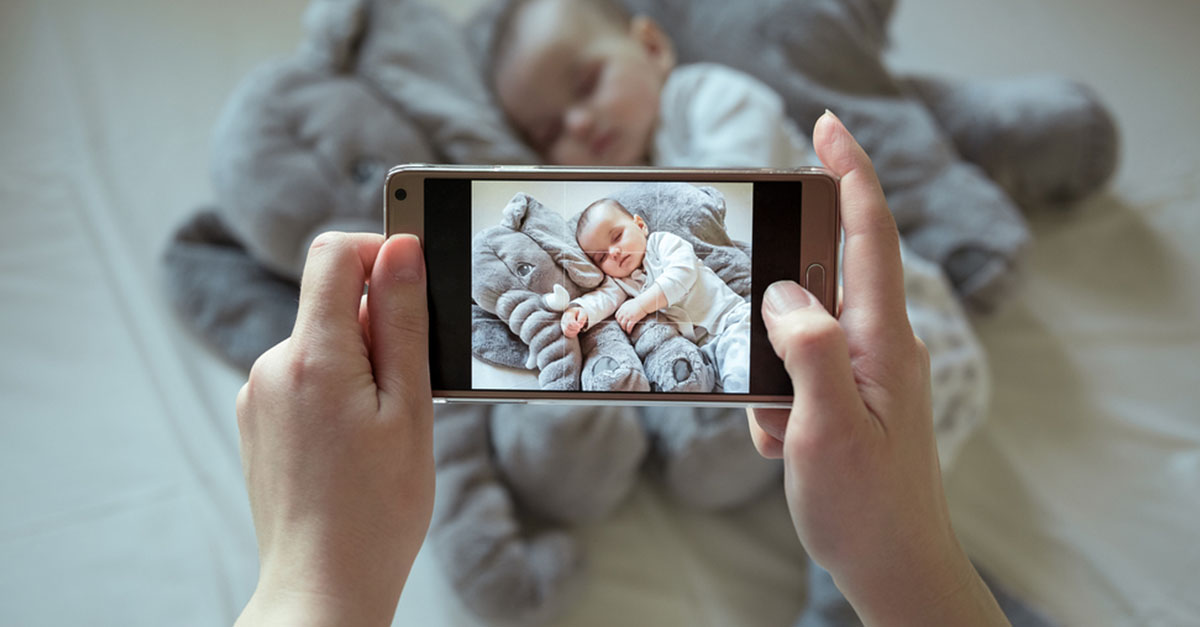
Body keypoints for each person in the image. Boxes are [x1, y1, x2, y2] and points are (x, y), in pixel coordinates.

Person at [234, 113, 1010, 625]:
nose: (616, 257)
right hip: (699, 349)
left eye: (620, 239)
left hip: (735, 318)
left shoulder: (667, 251)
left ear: (640, 222)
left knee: (737, 351)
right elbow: (610, 303)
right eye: (603, 252)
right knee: (696, 372)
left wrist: (308, 580)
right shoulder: (617, 278)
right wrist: (584, 313)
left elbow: (668, 286)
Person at [488, 0, 814, 169]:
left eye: (587, 85)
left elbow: (738, 187)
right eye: (550, 134)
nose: (579, 124)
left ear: (651, 47)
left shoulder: (709, 96)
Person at [561, 196, 752, 392]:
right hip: (705, 351)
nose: (614, 252)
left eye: (617, 237)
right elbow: (602, 298)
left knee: (740, 380)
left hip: (732, 323)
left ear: (640, 225)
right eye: (602, 257)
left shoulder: (663, 244)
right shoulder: (620, 282)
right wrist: (579, 311)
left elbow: (682, 273)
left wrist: (642, 304)